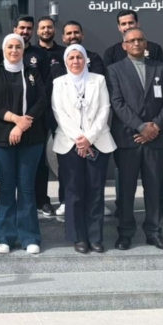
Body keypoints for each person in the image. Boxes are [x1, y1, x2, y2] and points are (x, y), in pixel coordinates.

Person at [107, 29, 163, 251]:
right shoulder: (114, 70)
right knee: (126, 189)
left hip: (156, 137)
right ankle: (125, 233)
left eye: (140, 39)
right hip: (129, 139)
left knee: (154, 187)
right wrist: (140, 126)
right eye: (131, 40)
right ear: (124, 45)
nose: (136, 43)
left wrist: (155, 126)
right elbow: (117, 103)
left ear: (146, 43)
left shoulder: (161, 68)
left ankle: (154, 232)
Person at [0, 34, 48, 255]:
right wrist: (14, 119)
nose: (14, 50)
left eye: (18, 46)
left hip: (31, 138)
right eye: (10, 46)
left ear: (23, 50)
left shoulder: (32, 73)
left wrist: (22, 125)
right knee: (7, 187)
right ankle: (5, 237)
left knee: (27, 188)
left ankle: (30, 237)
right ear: (3, 49)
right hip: (2, 139)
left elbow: (42, 101)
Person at [52, 45, 117, 254]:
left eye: (79, 57)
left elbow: (104, 110)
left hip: (97, 141)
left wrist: (89, 138)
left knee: (95, 191)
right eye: (71, 57)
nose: (75, 61)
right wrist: (79, 139)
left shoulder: (98, 80)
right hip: (69, 143)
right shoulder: (59, 83)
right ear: (65, 61)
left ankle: (95, 237)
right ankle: (78, 237)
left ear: (86, 60)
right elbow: (59, 113)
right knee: (74, 192)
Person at [0, 16, 54, 215]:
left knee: (34, 172)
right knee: (8, 182)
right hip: (5, 128)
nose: (25, 31)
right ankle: (7, 226)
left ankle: (40, 203)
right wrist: (14, 119)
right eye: (22, 28)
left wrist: (26, 120)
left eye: (29, 28)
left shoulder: (38, 58)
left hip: (33, 124)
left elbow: (44, 92)